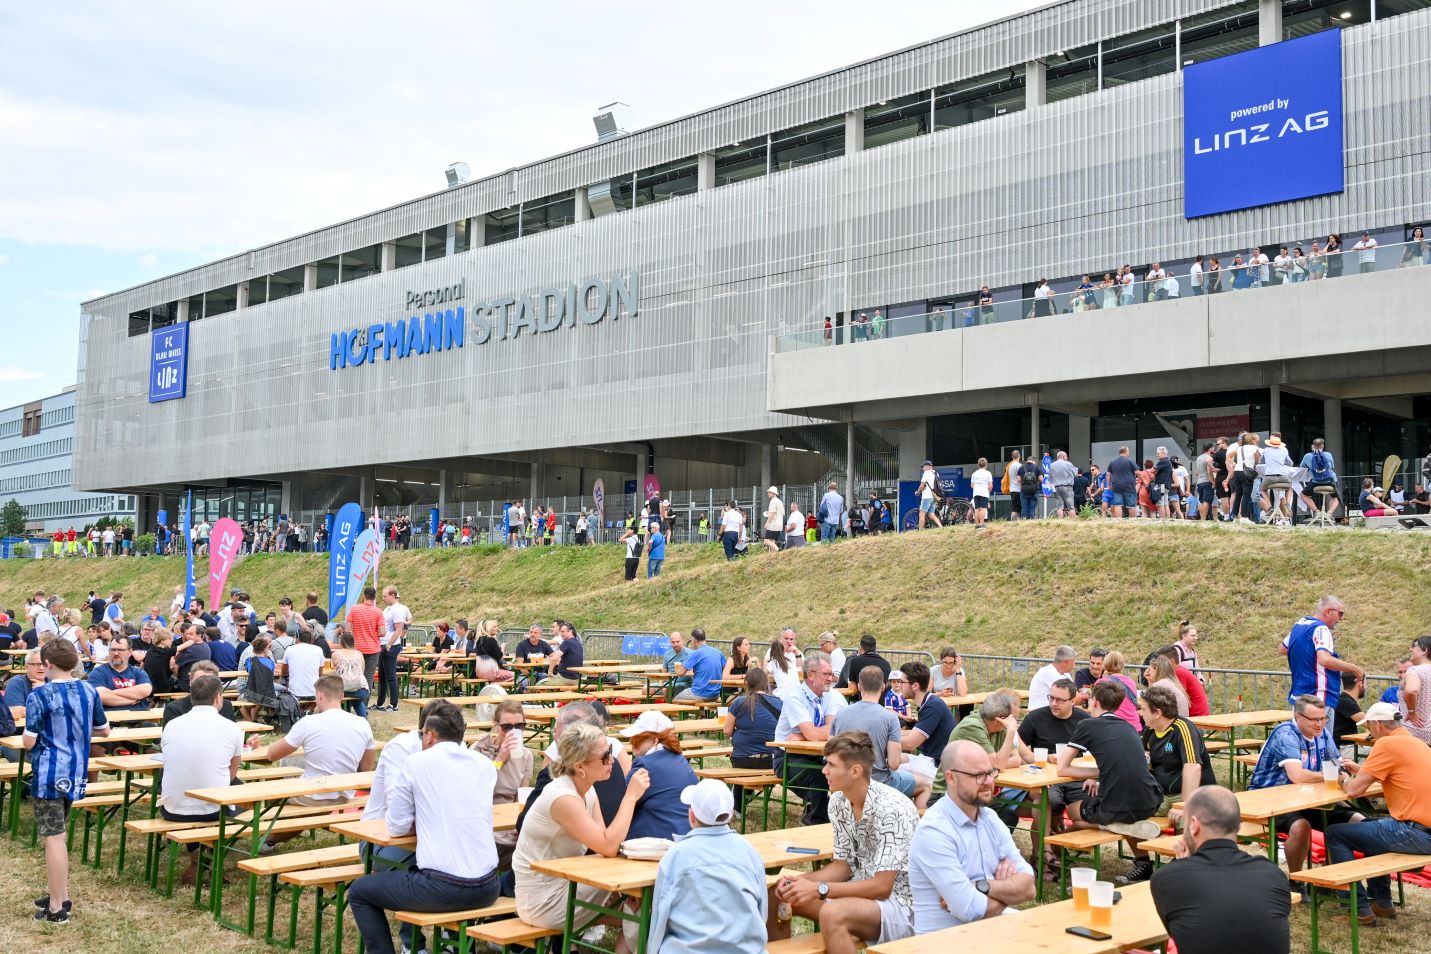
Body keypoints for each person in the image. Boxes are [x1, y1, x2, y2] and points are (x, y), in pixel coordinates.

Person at [348, 700, 501, 954]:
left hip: (444, 886)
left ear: (429, 735)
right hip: (488, 885)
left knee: (360, 891)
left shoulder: (417, 762)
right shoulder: (484, 764)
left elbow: (396, 827)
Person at [770, 732, 919, 952]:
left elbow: (882, 887)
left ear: (855, 771)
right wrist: (798, 882)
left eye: (830, 765)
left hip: (903, 906)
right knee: (778, 894)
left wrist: (819, 889)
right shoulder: (839, 801)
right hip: (859, 893)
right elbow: (843, 866)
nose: (824, 771)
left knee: (833, 913)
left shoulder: (892, 809)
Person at [513, 724, 651, 944]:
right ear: (580, 766)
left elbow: (603, 843)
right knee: (643, 910)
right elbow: (608, 846)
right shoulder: (562, 797)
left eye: (611, 752)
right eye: (604, 756)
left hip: (563, 885)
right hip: (542, 901)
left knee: (643, 903)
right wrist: (630, 797)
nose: (612, 760)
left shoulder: (587, 789)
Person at [908, 740, 1035, 933]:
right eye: (977, 775)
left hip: (988, 934)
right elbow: (970, 910)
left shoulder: (990, 818)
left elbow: (1029, 888)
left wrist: (981, 887)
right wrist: (1007, 890)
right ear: (951, 778)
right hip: (944, 943)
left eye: (991, 772)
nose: (988, 781)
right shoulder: (934, 831)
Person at [25, 640, 109, 923]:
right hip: (76, 771)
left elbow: (28, 739)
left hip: (49, 773)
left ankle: (58, 906)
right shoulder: (88, 690)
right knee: (58, 835)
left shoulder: (40, 695)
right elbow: (104, 730)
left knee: (54, 838)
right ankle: (58, 892)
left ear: (48, 664)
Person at [1151, 786, 1291, 954]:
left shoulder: (1167, 878)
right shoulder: (1273, 874)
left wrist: (1182, 866)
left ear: (1194, 825)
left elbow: (1181, 936)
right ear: (1239, 826)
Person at [1325, 701, 1431, 925]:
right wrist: (1363, 770)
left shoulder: (1387, 745)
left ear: (1378, 724)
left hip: (1416, 832)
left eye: (1369, 727)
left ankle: (1357, 908)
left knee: (1335, 833)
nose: (1368, 732)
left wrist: (1343, 778)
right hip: (1424, 830)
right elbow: (1402, 779)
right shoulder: (1417, 743)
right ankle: (1382, 902)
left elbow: (1354, 790)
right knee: (1371, 829)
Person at [1055, 681, 1165, 872]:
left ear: (1094, 701)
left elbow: (1062, 769)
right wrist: (1103, 772)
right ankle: (1142, 861)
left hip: (1119, 804)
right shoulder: (1128, 727)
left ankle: (1110, 827)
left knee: (1073, 811)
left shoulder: (1088, 725)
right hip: (1150, 798)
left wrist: (1097, 773)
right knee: (1119, 812)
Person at [1248, 695, 1364, 876]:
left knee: (1357, 820)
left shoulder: (1322, 733)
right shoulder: (1286, 734)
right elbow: (1298, 776)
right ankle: (1296, 880)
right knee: (1301, 827)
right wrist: (1329, 775)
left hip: (1307, 799)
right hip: (1270, 800)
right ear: (1298, 717)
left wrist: (1338, 773)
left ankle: (1331, 877)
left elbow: (1339, 766)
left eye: (1323, 718)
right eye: (1314, 720)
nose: (1320, 724)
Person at [647, 779, 767, 954]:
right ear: (731, 814)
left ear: (692, 815)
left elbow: (660, 916)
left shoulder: (676, 856)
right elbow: (761, 912)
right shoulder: (750, 852)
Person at [261, 675, 377, 848]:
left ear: (319, 696)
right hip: (345, 794)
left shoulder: (309, 722)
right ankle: (283, 831)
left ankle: (271, 838)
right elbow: (367, 768)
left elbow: (272, 755)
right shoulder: (362, 723)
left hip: (314, 794)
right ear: (342, 695)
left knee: (271, 791)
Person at [158, 675, 244, 884]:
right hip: (211, 810)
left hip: (172, 807)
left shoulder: (172, 725)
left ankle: (202, 857)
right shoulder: (231, 728)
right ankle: (206, 857)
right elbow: (231, 775)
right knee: (247, 813)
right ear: (218, 698)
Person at [833, 665, 930, 807]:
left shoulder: (840, 715)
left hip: (846, 781)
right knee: (924, 785)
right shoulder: (890, 718)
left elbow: (830, 752)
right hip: (879, 783)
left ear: (859, 686)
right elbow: (894, 764)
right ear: (883, 687)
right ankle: (913, 827)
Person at [773, 651, 841, 824]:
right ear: (810, 675)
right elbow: (818, 732)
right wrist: (810, 734)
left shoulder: (827, 695)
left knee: (839, 769)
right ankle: (817, 821)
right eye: (826, 674)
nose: (831, 679)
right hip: (787, 757)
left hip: (815, 754)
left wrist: (803, 736)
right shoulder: (795, 697)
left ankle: (823, 812)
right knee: (819, 775)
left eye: (831, 674)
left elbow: (834, 729)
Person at [469, 699, 535, 873]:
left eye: (519, 726)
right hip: (483, 818)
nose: (514, 732)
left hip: (509, 821)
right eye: (507, 727)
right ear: (496, 726)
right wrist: (499, 760)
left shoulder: (526, 755)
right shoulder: (478, 750)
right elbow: (474, 792)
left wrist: (518, 825)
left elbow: (521, 797)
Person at [1138, 685, 1215, 826]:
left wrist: (1183, 806)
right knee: (1126, 813)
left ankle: (1185, 846)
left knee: (1184, 820)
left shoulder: (1183, 729)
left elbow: (1193, 767)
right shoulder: (1150, 730)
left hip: (1191, 795)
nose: (1140, 713)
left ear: (1157, 713)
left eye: (1143, 709)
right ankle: (1148, 846)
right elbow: (1144, 760)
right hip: (1161, 796)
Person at [621, 711, 698, 840]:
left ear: (653, 740)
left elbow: (619, 800)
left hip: (659, 842)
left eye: (637, 738)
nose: (631, 742)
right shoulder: (679, 759)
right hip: (687, 835)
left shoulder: (645, 764)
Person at [1282, 595, 1363, 707]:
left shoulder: (1300, 624)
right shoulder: (1321, 628)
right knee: (1321, 725)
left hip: (1299, 696)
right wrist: (1355, 669)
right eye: (1340, 613)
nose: (1341, 618)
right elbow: (1325, 660)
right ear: (1328, 612)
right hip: (1319, 698)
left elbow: (1283, 649)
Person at [724, 668, 782, 781]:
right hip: (772, 760)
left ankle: (737, 797)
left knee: (739, 782)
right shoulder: (779, 702)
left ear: (748, 683)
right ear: (765, 683)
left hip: (743, 758)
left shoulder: (739, 702)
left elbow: (727, 731)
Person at [898, 661, 956, 767]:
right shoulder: (929, 702)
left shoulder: (933, 707)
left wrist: (879, 738)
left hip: (938, 767)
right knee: (892, 761)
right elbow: (914, 734)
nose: (899, 685)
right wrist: (890, 733)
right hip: (932, 760)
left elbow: (911, 743)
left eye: (902, 682)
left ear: (915, 685)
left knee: (890, 768)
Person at [86, 635, 153, 712]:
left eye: (120, 650)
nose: (116, 653)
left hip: (138, 720)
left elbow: (146, 690)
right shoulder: (98, 673)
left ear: (130, 652)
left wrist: (111, 692)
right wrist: (130, 701)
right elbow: (100, 696)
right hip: (110, 720)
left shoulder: (138, 672)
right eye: (113, 650)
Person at [347, 586, 384, 704]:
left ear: (364, 595)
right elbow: (383, 632)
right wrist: (374, 633)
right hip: (373, 649)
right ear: (374, 597)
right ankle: (364, 705)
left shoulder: (354, 609)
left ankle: (353, 701)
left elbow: (347, 629)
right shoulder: (378, 611)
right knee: (368, 677)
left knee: (355, 675)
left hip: (357, 649)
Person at [1396, 634, 1431, 745]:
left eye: (1413, 646)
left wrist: (1412, 712)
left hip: (1415, 733)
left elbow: (1411, 690)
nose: (1410, 649)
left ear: (1424, 650)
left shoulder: (1414, 670)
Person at [673, 628, 723, 703]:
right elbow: (724, 668)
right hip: (716, 694)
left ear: (694, 640)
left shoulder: (696, 653)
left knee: (675, 700)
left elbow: (679, 673)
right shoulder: (718, 652)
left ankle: (701, 714)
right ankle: (703, 713)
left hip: (699, 693)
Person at [330, 631, 372, 716]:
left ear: (341, 642)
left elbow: (332, 672)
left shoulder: (335, 654)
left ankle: (344, 720)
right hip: (360, 690)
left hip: (342, 690)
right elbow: (362, 672)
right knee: (357, 702)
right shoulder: (359, 654)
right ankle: (363, 721)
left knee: (337, 696)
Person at [1027, 645, 1076, 710]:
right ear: (1066, 662)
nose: (1074, 664)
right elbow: (1073, 698)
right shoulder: (1048, 672)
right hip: (1040, 715)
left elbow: (1074, 696)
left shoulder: (1066, 674)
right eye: (1073, 661)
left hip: (1054, 712)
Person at [282, 630, 325, 699]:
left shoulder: (289, 649)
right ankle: (307, 709)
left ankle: (303, 710)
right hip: (314, 693)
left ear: (297, 639)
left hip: (294, 693)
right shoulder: (318, 649)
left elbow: (283, 672)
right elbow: (320, 672)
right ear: (311, 640)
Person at [543, 620, 586, 687]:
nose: (561, 634)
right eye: (560, 632)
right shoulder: (578, 643)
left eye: (563, 631)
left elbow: (554, 658)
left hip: (565, 678)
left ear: (570, 631)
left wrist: (550, 672)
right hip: (576, 679)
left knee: (539, 684)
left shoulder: (566, 642)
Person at [764, 628, 804, 697]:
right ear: (781, 639)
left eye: (791, 639)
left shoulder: (798, 653)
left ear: (794, 640)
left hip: (794, 691)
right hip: (776, 686)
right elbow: (765, 669)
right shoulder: (773, 650)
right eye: (786, 638)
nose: (789, 641)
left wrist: (797, 655)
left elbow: (801, 672)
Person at [1106, 446, 1138, 518]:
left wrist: (1108, 485)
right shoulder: (1130, 461)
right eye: (1128, 452)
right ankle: (1133, 521)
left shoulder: (1112, 461)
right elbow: (1137, 472)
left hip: (1116, 486)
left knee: (1118, 504)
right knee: (1131, 505)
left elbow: (1108, 474)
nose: (1129, 453)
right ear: (1125, 452)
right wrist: (1144, 480)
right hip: (1129, 486)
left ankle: (1119, 521)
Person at [917, 460, 943, 530]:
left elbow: (922, 485)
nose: (922, 468)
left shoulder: (926, 473)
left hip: (927, 496)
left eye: (923, 467)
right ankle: (941, 527)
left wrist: (918, 491)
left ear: (927, 466)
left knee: (922, 514)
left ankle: (920, 530)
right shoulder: (935, 473)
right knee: (931, 514)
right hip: (934, 496)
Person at [762, 486, 785, 554]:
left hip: (773, 524)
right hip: (779, 525)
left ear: (773, 493)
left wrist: (767, 523)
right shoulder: (780, 501)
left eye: (769, 492)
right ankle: (773, 556)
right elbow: (783, 513)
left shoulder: (773, 501)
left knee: (766, 541)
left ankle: (779, 551)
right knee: (772, 540)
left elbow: (772, 513)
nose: (768, 494)